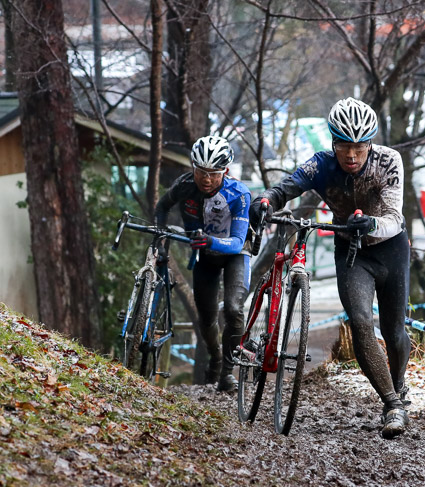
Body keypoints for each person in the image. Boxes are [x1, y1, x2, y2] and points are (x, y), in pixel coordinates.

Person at [249, 98, 411, 439]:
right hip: (351, 253)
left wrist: (368, 224)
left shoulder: (388, 161)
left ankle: (398, 389)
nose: (351, 156)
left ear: (370, 143)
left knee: (395, 333)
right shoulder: (321, 164)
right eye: (343, 147)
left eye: (358, 148)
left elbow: (395, 218)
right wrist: (265, 200)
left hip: (390, 248)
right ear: (333, 142)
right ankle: (392, 404)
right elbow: (288, 186)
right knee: (362, 324)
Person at [155, 135, 251, 392]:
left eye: (213, 174)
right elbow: (162, 207)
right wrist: (160, 234)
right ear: (192, 168)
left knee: (232, 308)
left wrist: (209, 241)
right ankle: (216, 358)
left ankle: (228, 373)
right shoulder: (185, 185)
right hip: (205, 257)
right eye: (201, 172)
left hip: (235, 255)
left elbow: (238, 242)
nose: (206, 179)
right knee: (206, 317)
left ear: (225, 171)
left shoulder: (239, 194)